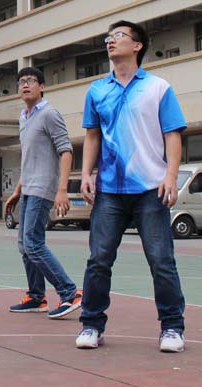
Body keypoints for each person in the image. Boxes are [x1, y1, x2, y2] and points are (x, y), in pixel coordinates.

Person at [76, 20, 188, 353]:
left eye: (118, 36)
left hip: (151, 189)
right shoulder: (97, 90)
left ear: (137, 45)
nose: (110, 41)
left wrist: (171, 176)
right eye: (108, 37)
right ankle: (92, 325)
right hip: (109, 190)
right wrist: (86, 174)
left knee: (161, 261)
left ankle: (172, 328)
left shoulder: (158, 88)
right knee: (99, 260)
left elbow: (172, 134)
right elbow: (92, 136)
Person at [4, 67, 82, 319]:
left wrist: (63, 190)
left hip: (43, 187)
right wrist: (17, 190)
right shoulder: (24, 117)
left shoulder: (49, 114)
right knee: (24, 245)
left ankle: (70, 292)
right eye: (21, 82)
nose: (25, 85)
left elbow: (66, 150)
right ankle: (36, 297)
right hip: (28, 188)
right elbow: (29, 158)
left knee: (33, 244)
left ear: (42, 86)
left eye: (31, 81)